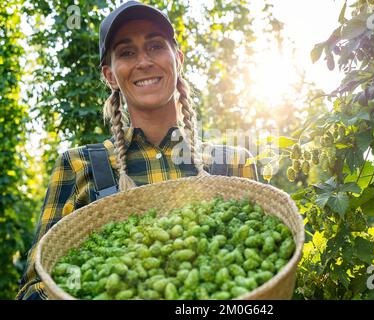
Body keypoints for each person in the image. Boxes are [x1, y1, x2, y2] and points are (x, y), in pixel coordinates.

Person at [17, 1, 258, 300]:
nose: (143, 61)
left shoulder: (233, 163)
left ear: (178, 59)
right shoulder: (78, 165)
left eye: (156, 46)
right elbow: (35, 286)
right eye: (127, 52)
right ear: (110, 75)